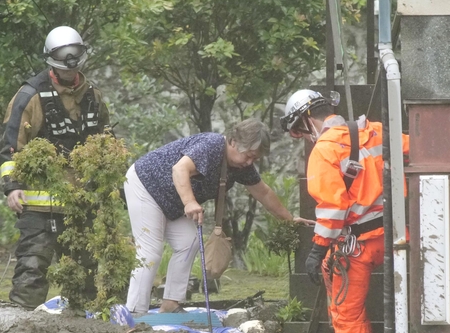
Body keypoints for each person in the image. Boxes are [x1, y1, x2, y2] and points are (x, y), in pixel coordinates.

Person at [281, 89, 408, 333]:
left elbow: (334, 209)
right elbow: (419, 152)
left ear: (308, 120)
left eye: (299, 132)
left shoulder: (323, 151)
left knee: (347, 314)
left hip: (359, 246)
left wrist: (317, 250)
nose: (302, 139)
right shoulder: (377, 131)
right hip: (399, 238)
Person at [124, 118, 312, 315]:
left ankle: (171, 303)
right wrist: (189, 202)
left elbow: (263, 192)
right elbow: (180, 169)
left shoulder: (241, 167)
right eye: (248, 155)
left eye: (254, 159)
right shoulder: (212, 146)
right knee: (150, 251)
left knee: (190, 241)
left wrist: (289, 220)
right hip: (146, 186)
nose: (249, 162)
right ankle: (135, 312)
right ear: (233, 142)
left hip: (173, 200)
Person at [0, 25, 111, 308]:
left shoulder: (93, 96)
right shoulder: (30, 97)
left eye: (75, 64)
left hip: (79, 202)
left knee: (83, 271)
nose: (71, 71)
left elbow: (106, 143)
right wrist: (13, 187)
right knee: (33, 267)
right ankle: (20, 323)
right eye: (65, 65)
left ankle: (81, 327)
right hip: (38, 204)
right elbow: (11, 146)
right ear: (52, 61)